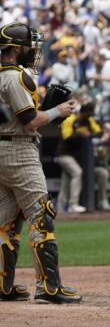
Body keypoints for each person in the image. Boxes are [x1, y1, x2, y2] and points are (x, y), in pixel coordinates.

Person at [0, 22, 81, 303]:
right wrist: (58, 110)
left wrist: (48, 115)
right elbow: (30, 121)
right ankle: (49, 287)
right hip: (19, 152)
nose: (32, 50)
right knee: (42, 216)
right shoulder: (15, 78)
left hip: (3, 150)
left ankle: (3, 285)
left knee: (5, 223)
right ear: (14, 48)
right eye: (28, 45)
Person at [56, 101, 101, 213]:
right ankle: (73, 204)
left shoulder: (89, 121)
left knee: (66, 182)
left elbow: (98, 132)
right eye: (87, 114)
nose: (89, 116)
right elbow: (66, 136)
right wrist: (80, 133)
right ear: (82, 112)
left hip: (74, 156)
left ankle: (60, 209)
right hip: (64, 154)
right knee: (77, 173)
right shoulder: (71, 119)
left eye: (90, 114)